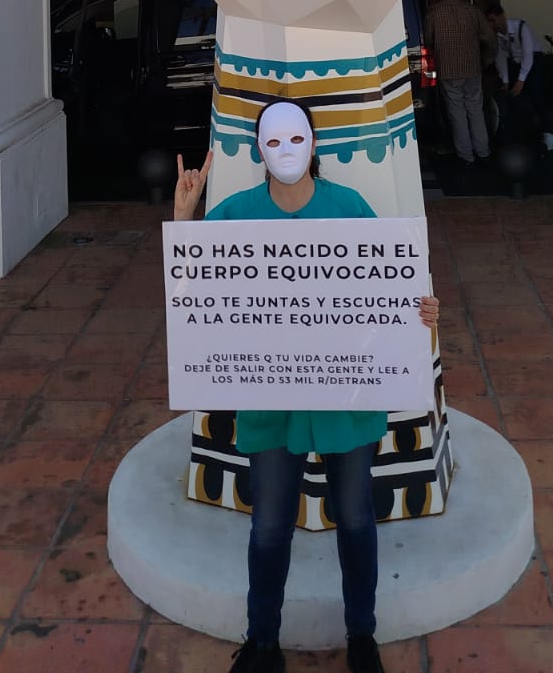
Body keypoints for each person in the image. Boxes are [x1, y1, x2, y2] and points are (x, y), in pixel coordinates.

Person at [174, 98, 439, 673]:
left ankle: (362, 636)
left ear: (314, 143)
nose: (286, 151)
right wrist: (185, 220)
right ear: (258, 149)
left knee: (356, 519)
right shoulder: (233, 215)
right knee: (269, 526)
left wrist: (421, 312)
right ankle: (262, 642)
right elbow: (192, 295)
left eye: (296, 138)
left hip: (347, 401)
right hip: (271, 401)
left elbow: (390, 289)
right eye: (274, 141)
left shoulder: (351, 207)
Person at [421, 0, 494, 168]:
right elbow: (489, 37)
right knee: (475, 109)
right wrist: (487, 58)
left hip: (447, 70)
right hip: (472, 68)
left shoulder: (433, 13)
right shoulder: (472, 11)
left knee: (457, 113)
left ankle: (466, 156)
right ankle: (483, 151)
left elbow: (427, 40)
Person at [484, 4, 553, 151]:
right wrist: (506, 80)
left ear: (502, 16)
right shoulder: (497, 36)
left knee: (537, 95)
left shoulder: (521, 27)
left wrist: (521, 80)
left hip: (533, 61)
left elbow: (528, 55)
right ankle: (523, 132)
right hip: (515, 63)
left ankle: (551, 133)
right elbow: (501, 57)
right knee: (514, 97)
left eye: (493, 20)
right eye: (489, 22)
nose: (492, 25)